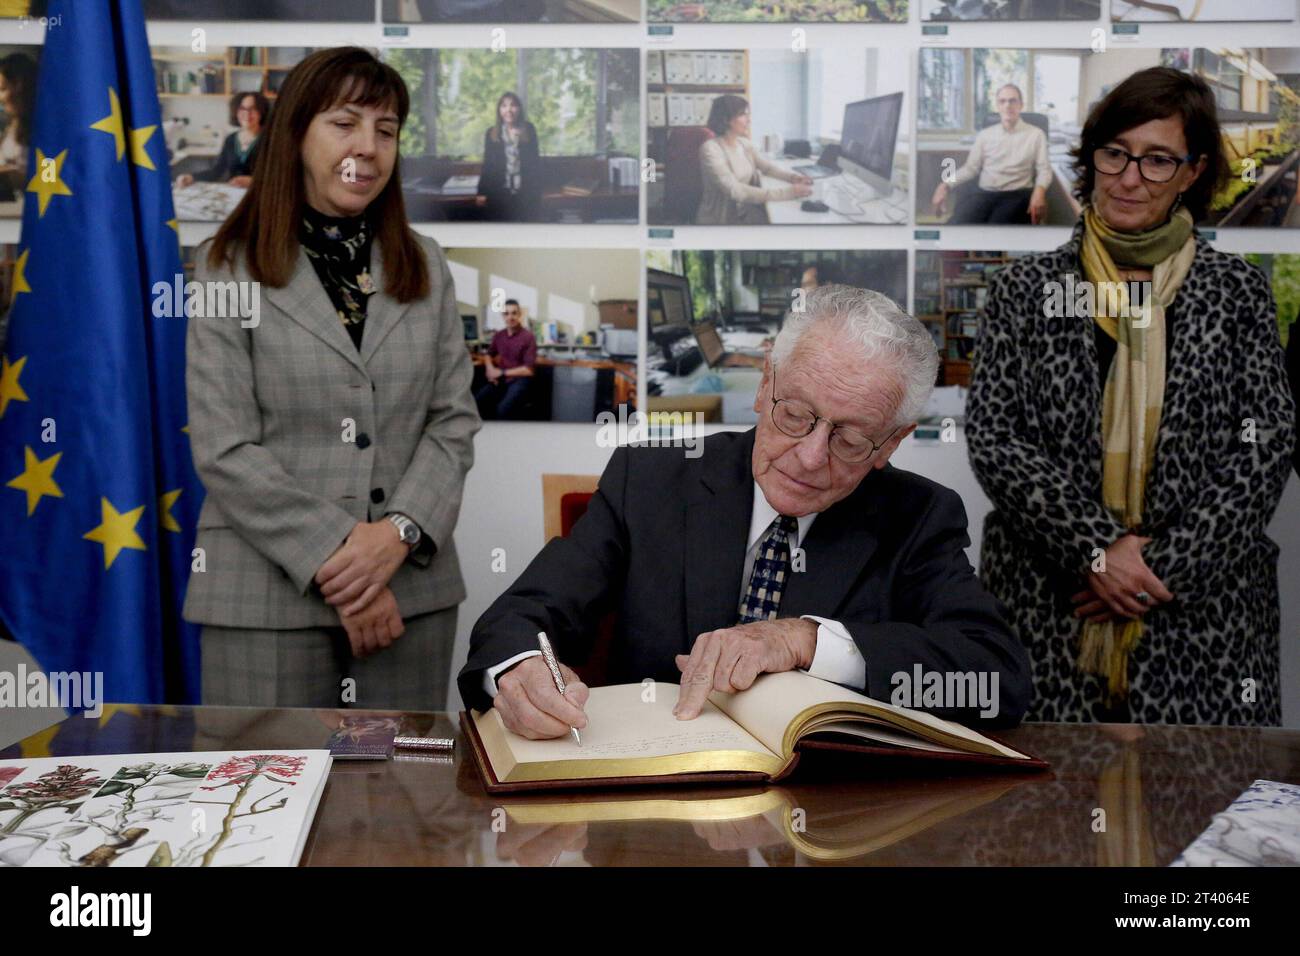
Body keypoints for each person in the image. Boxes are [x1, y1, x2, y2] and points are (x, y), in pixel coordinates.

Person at [459, 284, 1031, 736]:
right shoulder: (649, 481)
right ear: (765, 385)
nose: (809, 458)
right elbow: (521, 617)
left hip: (828, 827)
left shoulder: (918, 517)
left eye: (851, 440)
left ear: (893, 442)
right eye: (794, 414)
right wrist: (515, 673)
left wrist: (805, 640)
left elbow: (995, 679)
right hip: (656, 817)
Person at [967, 67, 1296, 725]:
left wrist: (1151, 571)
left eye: (1156, 160)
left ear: (1192, 171)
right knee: (1044, 818)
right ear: (1092, 156)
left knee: (1204, 815)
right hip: (1050, 610)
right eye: (1114, 153)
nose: (1129, 177)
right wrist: (1097, 552)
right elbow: (996, 438)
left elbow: (1266, 444)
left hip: (1205, 624)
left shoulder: (1237, 294)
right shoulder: (1022, 291)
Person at [184, 47, 480, 711]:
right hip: (264, 600)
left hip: (413, 596)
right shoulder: (225, 266)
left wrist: (397, 535)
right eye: (344, 124)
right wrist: (350, 566)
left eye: (386, 130)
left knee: (402, 806)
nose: (368, 149)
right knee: (261, 806)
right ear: (294, 134)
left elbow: (453, 420)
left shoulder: (426, 264)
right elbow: (224, 446)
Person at [930, 84, 1050, 225]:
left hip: (1016, 196)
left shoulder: (1036, 134)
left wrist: (1039, 191)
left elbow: (1044, 170)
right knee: (955, 227)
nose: (1007, 105)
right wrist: (945, 185)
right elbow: (970, 168)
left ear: (1021, 105)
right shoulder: (985, 135)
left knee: (992, 234)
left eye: (1012, 101)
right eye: (1002, 101)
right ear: (998, 106)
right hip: (984, 194)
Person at [696, 94, 812, 225]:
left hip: (745, 214)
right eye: (743, 115)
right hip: (721, 222)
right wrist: (789, 192)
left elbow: (767, 168)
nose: (748, 120)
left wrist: (793, 178)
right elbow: (735, 190)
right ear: (726, 119)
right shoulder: (710, 149)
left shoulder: (744, 144)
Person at [176, 91, 268, 190]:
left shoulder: (271, 140)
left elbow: (282, 176)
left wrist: (253, 181)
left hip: (263, 195)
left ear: (262, 112)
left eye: (253, 109)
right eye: (242, 109)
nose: (247, 113)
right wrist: (192, 177)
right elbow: (216, 171)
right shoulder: (231, 139)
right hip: (235, 195)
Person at [475, 92, 542, 222]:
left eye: (513, 105)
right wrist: (481, 192)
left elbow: (535, 163)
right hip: (499, 192)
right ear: (499, 110)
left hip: (525, 192)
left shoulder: (529, 129)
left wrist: (537, 192)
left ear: (519, 109)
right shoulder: (491, 133)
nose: (508, 110)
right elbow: (488, 164)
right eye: (504, 106)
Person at [475, 298, 537, 420]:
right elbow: (488, 354)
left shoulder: (528, 337)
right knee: (476, 402)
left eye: (514, 313)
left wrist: (501, 373)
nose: (510, 317)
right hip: (501, 379)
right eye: (506, 313)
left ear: (519, 315)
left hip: (519, 381)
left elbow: (529, 370)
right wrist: (490, 370)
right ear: (502, 316)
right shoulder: (499, 335)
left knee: (502, 410)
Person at [0, 52, 35, 179]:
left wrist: (10, 174)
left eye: (3, 89)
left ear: (19, 86)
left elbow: (48, 178)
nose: (0, 98)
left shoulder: (46, 129)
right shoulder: (13, 125)